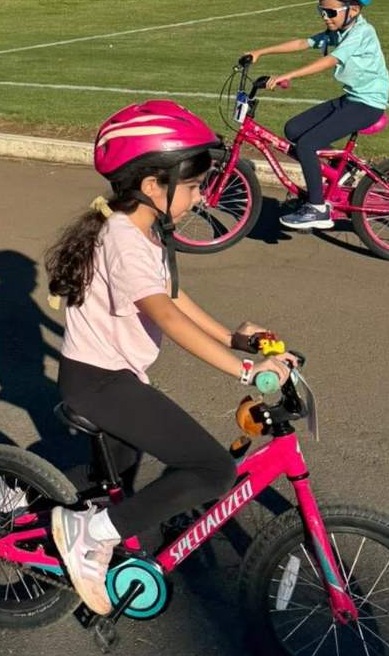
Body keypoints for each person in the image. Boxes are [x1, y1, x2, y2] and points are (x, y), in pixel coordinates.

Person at [36, 101, 290, 615]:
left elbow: (172, 295)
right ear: (154, 186)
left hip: (112, 377)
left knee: (111, 480)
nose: (199, 197)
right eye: (194, 187)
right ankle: (89, 535)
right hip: (101, 384)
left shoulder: (141, 232)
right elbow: (168, 320)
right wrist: (246, 370)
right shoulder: (125, 242)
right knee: (210, 468)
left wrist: (234, 337)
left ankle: (29, 518)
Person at [245, 0, 388, 230]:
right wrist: (260, 52)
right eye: (321, 11)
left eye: (330, 12)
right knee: (294, 129)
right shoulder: (341, 30)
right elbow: (303, 42)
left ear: (353, 9)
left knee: (308, 144)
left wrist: (285, 76)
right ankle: (339, 170)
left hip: (368, 104)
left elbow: (328, 61)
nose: (325, 17)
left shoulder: (361, 34)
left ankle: (318, 208)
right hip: (353, 98)